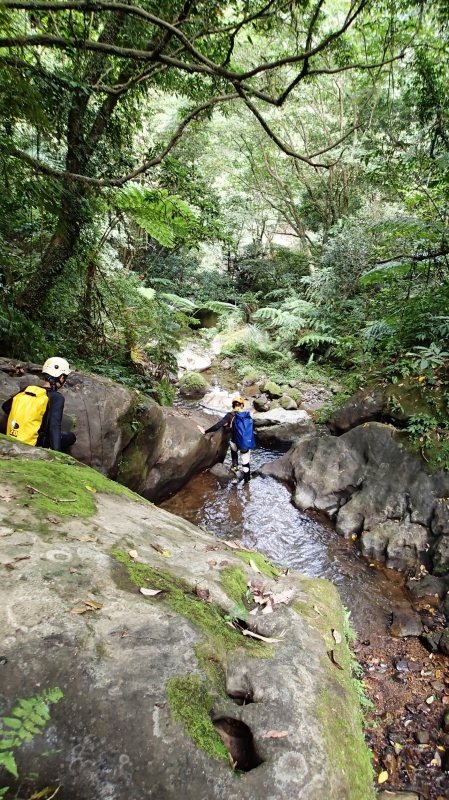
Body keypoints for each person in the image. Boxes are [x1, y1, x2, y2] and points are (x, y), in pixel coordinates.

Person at [2, 357, 76, 453]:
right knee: (70, 437)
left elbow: (5, 407)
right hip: (36, 442)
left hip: (15, 436)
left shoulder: (28, 389)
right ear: (61, 377)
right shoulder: (56, 397)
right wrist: (57, 454)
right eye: (65, 376)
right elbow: (54, 427)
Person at [198, 397, 256, 482]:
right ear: (242, 405)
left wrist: (205, 431)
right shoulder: (247, 415)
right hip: (246, 443)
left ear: (233, 405)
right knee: (245, 462)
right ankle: (247, 482)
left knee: (232, 444)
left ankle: (235, 466)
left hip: (235, 442)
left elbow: (218, 425)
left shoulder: (230, 415)